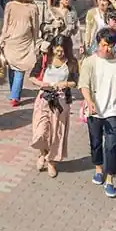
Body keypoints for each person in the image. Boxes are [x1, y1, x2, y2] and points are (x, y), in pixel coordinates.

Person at [79, 28, 116, 199]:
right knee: (95, 142)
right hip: (95, 111)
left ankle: (110, 179)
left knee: (110, 147)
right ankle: (98, 168)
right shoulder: (90, 62)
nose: (107, 49)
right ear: (98, 43)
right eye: (104, 45)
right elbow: (83, 85)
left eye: (110, 46)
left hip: (113, 111)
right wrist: (89, 102)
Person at [29, 35, 78, 178]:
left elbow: (75, 80)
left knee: (57, 133)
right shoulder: (45, 59)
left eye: (62, 51)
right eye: (56, 51)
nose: (59, 53)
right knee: (40, 130)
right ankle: (43, 153)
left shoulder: (72, 62)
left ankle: (52, 161)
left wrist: (66, 84)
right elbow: (32, 76)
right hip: (44, 98)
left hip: (60, 102)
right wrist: (41, 84)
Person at [0, 0, 40, 107]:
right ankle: (15, 96)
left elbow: (5, 24)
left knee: (12, 66)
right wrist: (35, 41)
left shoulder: (9, 5)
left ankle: (14, 92)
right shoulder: (33, 8)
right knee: (19, 68)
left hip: (10, 39)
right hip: (24, 40)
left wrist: (3, 37)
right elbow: (35, 27)